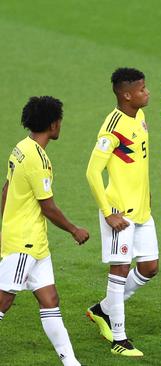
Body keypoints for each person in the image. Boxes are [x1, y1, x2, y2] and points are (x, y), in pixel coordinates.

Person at [0, 96, 89, 366]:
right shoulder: (39, 160)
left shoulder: (20, 147)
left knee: (50, 299)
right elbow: (48, 207)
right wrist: (74, 230)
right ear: (53, 124)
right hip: (24, 243)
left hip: (34, 242)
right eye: (59, 121)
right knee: (3, 300)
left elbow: (6, 188)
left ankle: (70, 362)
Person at [85, 68, 158, 357]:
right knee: (120, 269)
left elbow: (137, 162)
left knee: (150, 267)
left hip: (142, 210)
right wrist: (107, 212)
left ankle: (103, 309)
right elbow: (92, 172)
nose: (147, 92)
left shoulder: (138, 116)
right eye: (142, 89)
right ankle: (119, 337)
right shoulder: (112, 126)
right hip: (120, 212)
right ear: (126, 94)